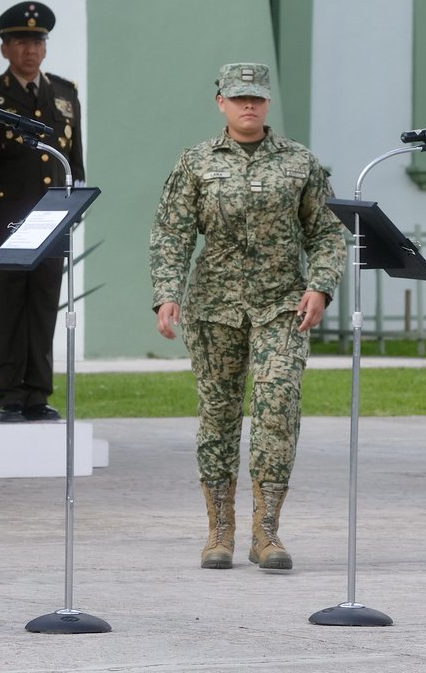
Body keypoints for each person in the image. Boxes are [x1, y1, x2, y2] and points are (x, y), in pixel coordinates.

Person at [149, 62, 345, 570]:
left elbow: (325, 232)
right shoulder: (196, 162)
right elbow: (171, 232)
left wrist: (320, 286)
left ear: (267, 103)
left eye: (256, 98)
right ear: (221, 102)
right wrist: (167, 293)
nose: (248, 106)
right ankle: (219, 530)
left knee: (277, 407)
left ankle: (268, 531)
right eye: (239, 98)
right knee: (218, 416)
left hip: (282, 306)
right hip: (214, 308)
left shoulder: (301, 163)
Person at [0, 1, 84, 423]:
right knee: (10, 307)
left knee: (44, 306)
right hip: (6, 222)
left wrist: (73, 212)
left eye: (37, 41)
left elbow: (75, 162)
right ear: (5, 49)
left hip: (52, 220)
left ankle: (37, 394)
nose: (30, 50)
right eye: (20, 42)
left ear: (45, 48)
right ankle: (10, 395)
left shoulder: (65, 94)